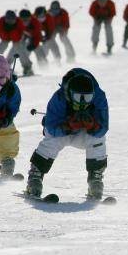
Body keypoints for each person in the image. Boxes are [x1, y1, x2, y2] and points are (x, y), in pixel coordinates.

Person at [25, 68, 109, 200]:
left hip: (83, 134)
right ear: (70, 93)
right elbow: (50, 128)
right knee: (52, 141)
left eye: (87, 98)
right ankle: (36, 174)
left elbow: (103, 127)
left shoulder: (99, 97)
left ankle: (95, 178)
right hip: (62, 132)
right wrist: (67, 126)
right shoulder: (59, 98)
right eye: (78, 97)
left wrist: (93, 125)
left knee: (98, 139)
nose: (83, 102)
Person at [18, 9, 41, 75]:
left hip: (34, 41)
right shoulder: (18, 23)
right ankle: (27, 68)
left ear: (30, 17)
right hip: (22, 41)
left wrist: (34, 44)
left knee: (39, 51)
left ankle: (44, 66)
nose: (25, 20)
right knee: (21, 52)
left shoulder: (36, 22)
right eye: (23, 19)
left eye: (27, 19)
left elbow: (38, 35)